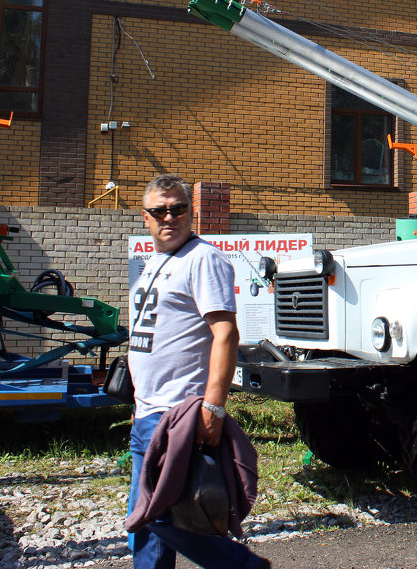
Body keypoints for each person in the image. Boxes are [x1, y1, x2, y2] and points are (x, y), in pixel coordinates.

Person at [127, 173, 269, 569]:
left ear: (191, 212)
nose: (168, 217)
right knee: (146, 525)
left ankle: (245, 567)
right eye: (160, 211)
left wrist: (214, 408)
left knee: (155, 515)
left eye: (178, 209)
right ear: (146, 217)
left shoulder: (204, 258)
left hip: (178, 413)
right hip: (146, 410)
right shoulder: (153, 262)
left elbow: (225, 334)